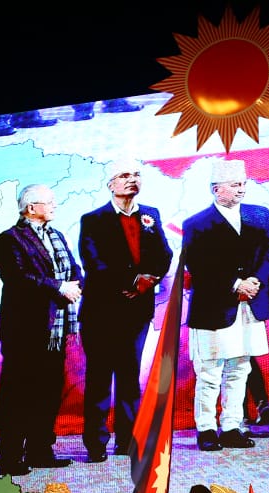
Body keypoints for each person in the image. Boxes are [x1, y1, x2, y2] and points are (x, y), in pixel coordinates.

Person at [77, 159, 174, 463]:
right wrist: (131, 281)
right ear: (110, 185)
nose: (132, 180)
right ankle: (96, 444)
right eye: (124, 176)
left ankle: (127, 440)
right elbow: (93, 262)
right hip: (102, 313)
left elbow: (164, 254)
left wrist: (146, 282)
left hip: (137, 312)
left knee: (130, 377)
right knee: (99, 378)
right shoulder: (93, 219)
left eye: (136, 175)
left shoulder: (151, 215)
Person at [182, 159, 269, 451]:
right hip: (213, 307)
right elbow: (198, 265)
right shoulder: (196, 224)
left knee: (240, 368)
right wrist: (235, 284)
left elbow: (268, 251)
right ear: (216, 189)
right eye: (235, 185)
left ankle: (233, 426)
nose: (241, 189)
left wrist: (255, 281)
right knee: (209, 372)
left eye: (243, 184)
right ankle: (206, 428)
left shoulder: (258, 215)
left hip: (250, 304)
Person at [0, 183, 82, 475]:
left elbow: (73, 269)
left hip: (55, 328)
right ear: (31, 208)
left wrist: (75, 285)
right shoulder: (9, 239)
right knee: (19, 394)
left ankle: (40, 450)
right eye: (50, 201)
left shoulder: (56, 235)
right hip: (25, 330)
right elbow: (18, 278)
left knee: (48, 392)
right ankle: (10, 457)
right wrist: (58, 287)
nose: (55, 205)